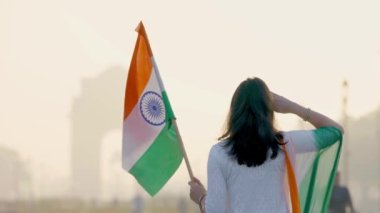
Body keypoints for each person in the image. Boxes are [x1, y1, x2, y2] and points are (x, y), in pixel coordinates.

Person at [188, 77, 344, 213]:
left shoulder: (219, 153)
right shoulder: (285, 143)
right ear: (269, 111)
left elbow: (216, 211)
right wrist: (292, 107)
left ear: (234, 111)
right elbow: (335, 130)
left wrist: (201, 196)